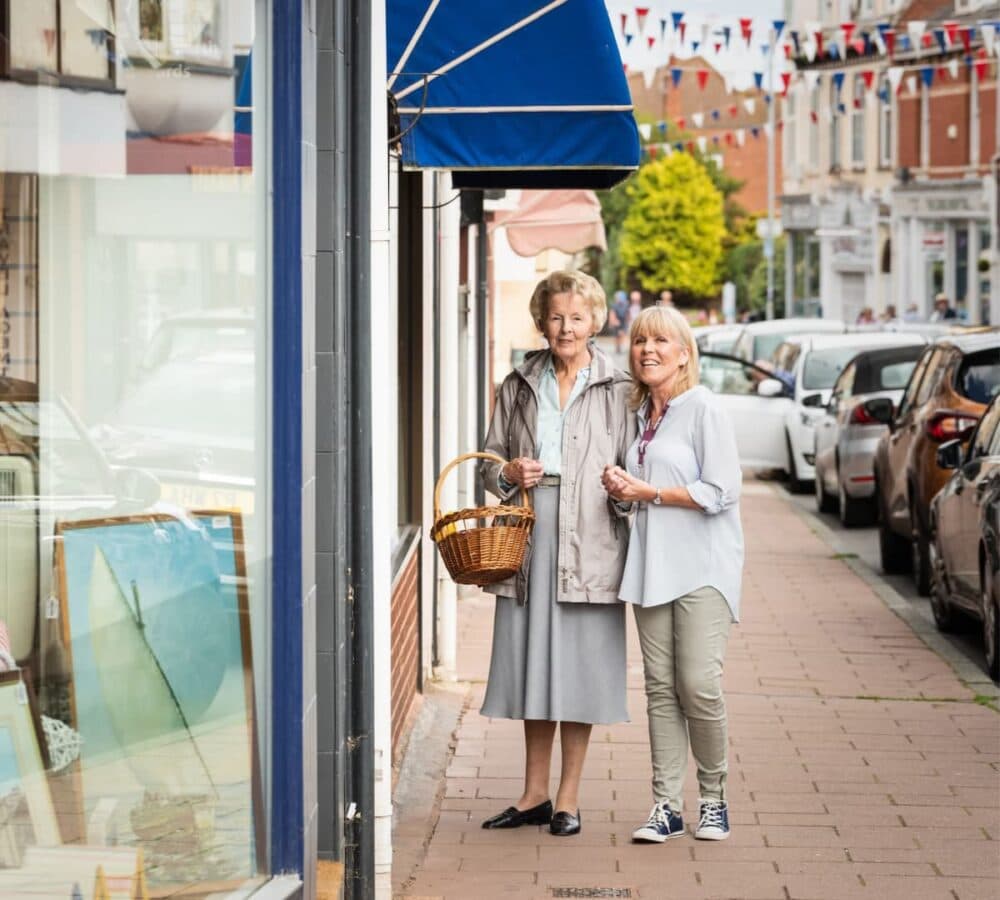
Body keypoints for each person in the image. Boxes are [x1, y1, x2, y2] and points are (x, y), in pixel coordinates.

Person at [479, 270, 635, 838]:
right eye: (555, 317)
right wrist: (508, 472)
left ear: (595, 320)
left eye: (576, 317)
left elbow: (633, 472)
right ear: (541, 321)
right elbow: (487, 462)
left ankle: (568, 798)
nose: (565, 327)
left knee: (582, 669)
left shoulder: (620, 389)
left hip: (591, 536)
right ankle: (533, 794)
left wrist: (623, 494)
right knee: (533, 663)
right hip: (529, 532)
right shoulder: (517, 384)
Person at [601, 305, 744, 844]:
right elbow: (637, 500)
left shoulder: (703, 408)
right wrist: (621, 490)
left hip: (702, 568)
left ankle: (714, 801)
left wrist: (649, 491)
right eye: (640, 341)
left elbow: (722, 490)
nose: (648, 350)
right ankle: (666, 806)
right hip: (650, 566)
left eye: (661, 341)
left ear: (684, 353)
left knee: (699, 686)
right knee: (660, 690)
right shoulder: (640, 418)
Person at [611, 289, 629, 353]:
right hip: (617, 321)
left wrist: (627, 322)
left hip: (623, 322)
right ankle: (617, 347)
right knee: (616, 336)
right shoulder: (614, 305)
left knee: (622, 334)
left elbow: (627, 314)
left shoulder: (626, 305)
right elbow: (612, 314)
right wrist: (613, 321)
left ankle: (621, 346)